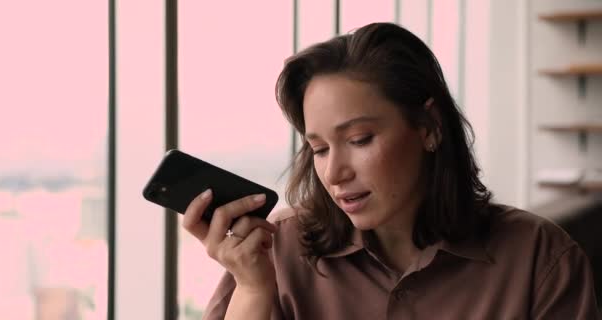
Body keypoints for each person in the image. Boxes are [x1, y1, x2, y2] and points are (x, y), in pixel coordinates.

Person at [181, 22, 600, 319]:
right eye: (320, 149)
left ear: (430, 128)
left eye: (360, 139)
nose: (335, 173)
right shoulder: (279, 253)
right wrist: (254, 290)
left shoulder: (538, 259)